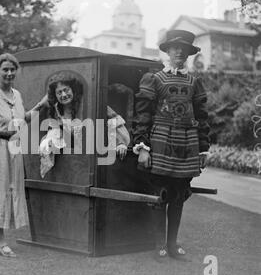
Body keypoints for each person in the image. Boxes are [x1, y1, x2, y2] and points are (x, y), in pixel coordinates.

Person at [132, 30, 210, 261]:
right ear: (167, 51)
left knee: (178, 195)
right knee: (161, 194)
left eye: (183, 49)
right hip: (161, 141)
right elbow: (142, 115)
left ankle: (172, 244)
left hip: (188, 144)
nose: (179, 52)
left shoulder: (195, 82)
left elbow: (203, 117)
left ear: (188, 53)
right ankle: (159, 246)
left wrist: (204, 149)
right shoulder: (154, 79)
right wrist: (142, 147)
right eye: (175, 48)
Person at [0, 53, 48, 257]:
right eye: (5, 69)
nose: (9, 73)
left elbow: (22, 120)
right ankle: (0, 242)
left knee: (11, 191)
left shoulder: (17, 95)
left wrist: (41, 105)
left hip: (14, 148)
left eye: (12, 69)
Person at [39, 71, 130, 177]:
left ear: (73, 89)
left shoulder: (90, 103)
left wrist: (121, 143)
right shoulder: (57, 111)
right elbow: (56, 134)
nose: (64, 95)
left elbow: (114, 121)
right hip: (74, 162)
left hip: (96, 160)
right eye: (59, 92)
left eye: (66, 90)